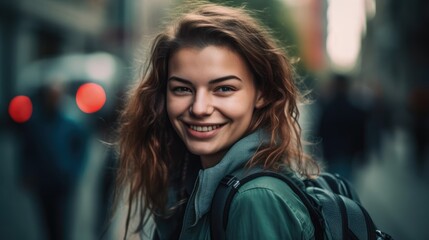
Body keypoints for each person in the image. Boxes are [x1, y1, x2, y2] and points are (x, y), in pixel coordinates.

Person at [113, 3, 320, 239]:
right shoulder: (188, 179)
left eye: (223, 88)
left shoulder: (255, 199)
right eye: (182, 89)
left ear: (262, 94)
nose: (200, 108)